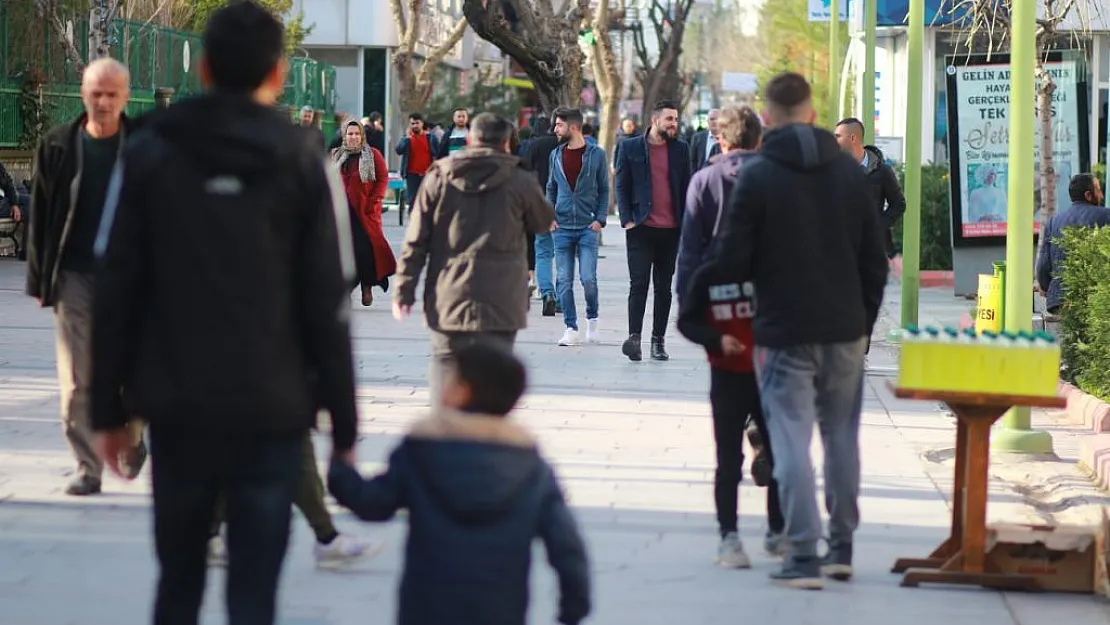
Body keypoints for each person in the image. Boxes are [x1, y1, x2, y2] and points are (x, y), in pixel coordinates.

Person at [88, 3, 361, 622]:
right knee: (254, 592)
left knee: (178, 581)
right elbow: (328, 302)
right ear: (279, 73)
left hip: (177, 406)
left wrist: (107, 409)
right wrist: (343, 425)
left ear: (204, 67)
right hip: (273, 407)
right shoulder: (302, 158)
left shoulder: (150, 147)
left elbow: (115, 287)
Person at [708, 72, 887, 589]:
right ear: (813, 114)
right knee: (841, 437)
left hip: (782, 330)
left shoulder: (757, 176)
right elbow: (874, 262)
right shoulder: (853, 176)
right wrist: (863, 321)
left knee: (788, 440)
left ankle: (802, 554)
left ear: (767, 118)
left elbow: (731, 261)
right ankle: (842, 546)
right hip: (844, 328)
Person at [327, 340, 591, 625]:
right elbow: (566, 545)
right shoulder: (530, 468)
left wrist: (341, 465)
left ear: (461, 393)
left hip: (426, 609)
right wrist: (572, 607)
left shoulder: (422, 451)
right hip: (501, 610)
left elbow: (372, 504)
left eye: (449, 377)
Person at [24, 57, 147, 496]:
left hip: (131, 281)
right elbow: (40, 217)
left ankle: (131, 435)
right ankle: (88, 465)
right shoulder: (59, 146)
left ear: (126, 97)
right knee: (78, 376)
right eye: (96, 93)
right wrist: (40, 281)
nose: (103, 102)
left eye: (112, 94)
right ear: (83, 94)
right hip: (74, 274)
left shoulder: (143, 148)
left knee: (132, 372)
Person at [675, 106, 786, 567]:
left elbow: (689, 251)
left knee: (727, 455)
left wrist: (696, 314)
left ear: (722, 140)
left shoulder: (704, 182)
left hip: (728, 337)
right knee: (782, 444)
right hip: (773, 343)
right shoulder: (779, 180)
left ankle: (730, 538)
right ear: (759, 140)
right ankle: (777, 531)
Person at [393, 113, 555, 400]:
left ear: (469, 139)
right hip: (503, 298)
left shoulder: (438, 177)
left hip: (449, 295)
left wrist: (404, 292)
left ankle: (447, 429)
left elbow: (415, 240)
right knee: (494, 379)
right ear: (506, 143)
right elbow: (543, 222)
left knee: (447, 370)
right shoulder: (520, 180)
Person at [614, 99, 691, 362]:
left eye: (676, 119)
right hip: (640, 227)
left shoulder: (681, 149)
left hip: (671, 230)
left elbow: (687, 187)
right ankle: (634, 337)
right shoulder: (630, 146)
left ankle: (658, 341)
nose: (674, 124)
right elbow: (621, 185)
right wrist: (627, 220)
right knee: (638, 284)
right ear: (655, 120)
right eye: (669, 119)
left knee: (663, 287)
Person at [546, 108, 608, 346]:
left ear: (572, 127)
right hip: (561, 226)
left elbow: (604, 189)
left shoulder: (596, 155)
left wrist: (599, 219)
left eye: (559, 125)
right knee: (563, 280)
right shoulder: (555, 154)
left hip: (587, 226)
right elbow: (550, 188)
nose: (555, 130)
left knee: (588, 278)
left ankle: (592, 319)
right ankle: (571, 327)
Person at [333, 120, 395, 306]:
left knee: (365, 250)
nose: (353, 137)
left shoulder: (372, 155)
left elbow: (382, 178)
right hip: (343, 212)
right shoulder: (337, 156)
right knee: (344, 251)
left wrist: (375, 200)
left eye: (356, 134)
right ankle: (346, 289)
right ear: (344, 136)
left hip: (365, 212)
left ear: (362, 136)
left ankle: (366, 287)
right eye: (349, 134)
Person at [1036, 173, 1110, 315]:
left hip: (1062, 299)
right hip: (1096, 297)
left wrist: (1047, 288)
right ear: (1088, 195)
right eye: (1098, 190)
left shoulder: (1054, 221)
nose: (1101, 195)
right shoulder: (1106, 216)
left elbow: (1044, 265)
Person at [833, 118, 906, 260]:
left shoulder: (882, 171)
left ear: (852, 138)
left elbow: (898, 204)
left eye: (838, 136)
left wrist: (878, 225)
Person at [525, 111, 564, 316]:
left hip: (540, 203)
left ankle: (547, 293)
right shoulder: (569, 146)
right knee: (564, 253)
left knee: (543, 251)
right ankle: (560, 297)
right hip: (565, 204)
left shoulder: (535, 146)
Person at [395, 112, 440, 211]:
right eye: (412, 123)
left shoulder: (431, 138)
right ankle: (413, 222)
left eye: (417, 123)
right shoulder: (407, 138)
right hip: (412, 175)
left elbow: (438, 153)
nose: (415, 125)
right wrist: (406, 139)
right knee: (413, 200)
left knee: (428, 199)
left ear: (422, 123)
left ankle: (427, 222)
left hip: (428, 174)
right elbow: (398, 150)